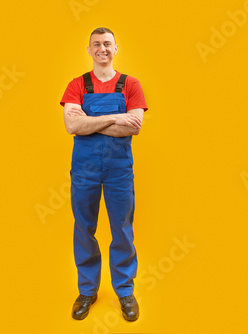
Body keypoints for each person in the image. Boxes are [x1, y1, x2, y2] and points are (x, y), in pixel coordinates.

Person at [60, 27, 148, 322]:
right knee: (84, 227)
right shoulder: (77, 85)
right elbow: (72, 126)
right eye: (96, 44)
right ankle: (88, 290)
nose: (102, 48)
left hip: (118, 170)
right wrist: (115, 117)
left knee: (122, 229)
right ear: (89, 50)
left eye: (107, 43)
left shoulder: (130, 84)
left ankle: (124, 291)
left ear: (116, 48)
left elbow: (134, 126)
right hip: (84, 170)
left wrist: (90, 120)